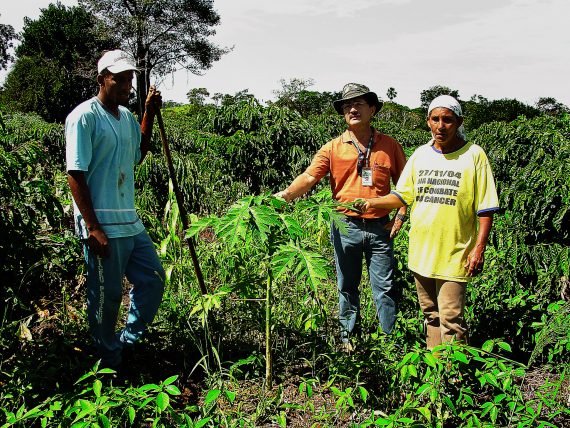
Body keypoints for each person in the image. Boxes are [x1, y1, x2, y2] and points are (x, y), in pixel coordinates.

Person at [353, 95, 499, 349]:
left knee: (451, 319)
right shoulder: (421, 155)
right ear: (428, 122)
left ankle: (453, 380)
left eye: (448, 120)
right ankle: (435, 374)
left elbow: (485, 208)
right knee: (431, 316)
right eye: (435, 119)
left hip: (456, 253)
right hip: (422, 252)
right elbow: (402, 195)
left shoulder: (474, 156)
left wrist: (479, 248)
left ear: (459, 122)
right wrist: (372, 203)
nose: (441, 126)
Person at [276, 83, 407, 348]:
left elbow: (405, 185)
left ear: (372, 109)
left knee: (384, 287)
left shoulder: (389, 145)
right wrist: (287, 194)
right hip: (345, 225)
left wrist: (401, 215)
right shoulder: (333, 148)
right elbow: (311, 176)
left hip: (381, 227)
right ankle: (348, 340)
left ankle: (389, 343)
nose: (353, 109)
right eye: (347, 105)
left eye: (359, 104)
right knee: (347, 286)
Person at [65, 49, 165, 369]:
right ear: (101, 79)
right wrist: (93, 227)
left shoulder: (126, 119)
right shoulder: (84, 117)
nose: (126, 85)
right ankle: (107, 359)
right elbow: (75, 173)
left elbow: (138, 151)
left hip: (130, 221)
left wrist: (148, 112)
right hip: (103, 223)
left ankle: (128, 340)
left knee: (153, 279)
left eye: (130, 79)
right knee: (107, 297)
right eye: (119, 78)